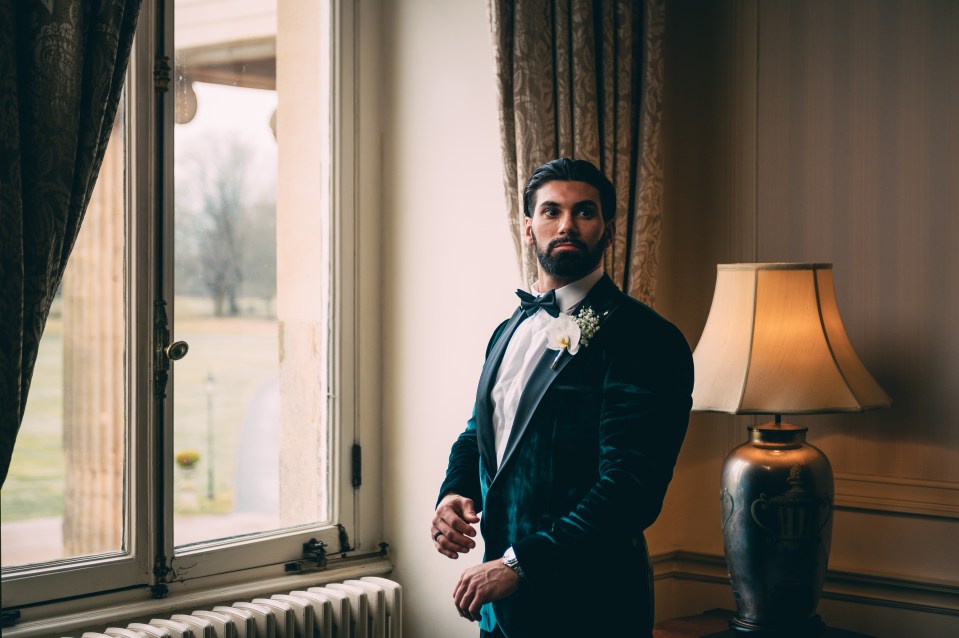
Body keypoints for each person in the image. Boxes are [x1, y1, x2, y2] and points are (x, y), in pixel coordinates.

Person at [431, 158, 694, 637]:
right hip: (500, 611)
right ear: (528, 228)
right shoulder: (506, 331)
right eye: (551, 212)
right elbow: (481, 434)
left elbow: (631, 487)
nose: (567, 225)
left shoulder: (646, 339)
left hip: (590, 606)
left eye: (584, 213)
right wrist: (454, 493)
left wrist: (521, 564)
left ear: (608, 231)